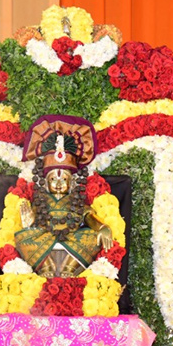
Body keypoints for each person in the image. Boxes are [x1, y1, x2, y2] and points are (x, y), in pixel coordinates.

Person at [14, 116, 113, 277]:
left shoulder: (76, 200)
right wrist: (29, 225)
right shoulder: (41, 200)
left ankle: (69, 269)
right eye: (53, 179)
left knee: (91, 237)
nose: (58, 184)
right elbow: (33, 226)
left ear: (72, 183)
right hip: (44, 235)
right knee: (23, 237)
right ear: (45, 183)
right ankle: (46, 269)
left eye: (64, 179)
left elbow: (88, 217)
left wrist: (102, 228)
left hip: (71, 236)